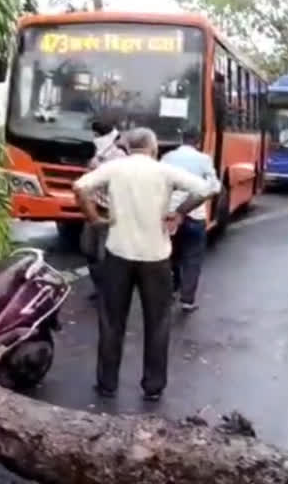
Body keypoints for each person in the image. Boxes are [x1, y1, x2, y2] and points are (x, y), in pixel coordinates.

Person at [73, 127, 211, 401]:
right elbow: (205, 189)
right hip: (156, 257)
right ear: (153, 146)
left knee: (112, 321)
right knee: (157, 322)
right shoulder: (164, 171)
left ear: (129, 146)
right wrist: (179, 213)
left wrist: (94, 219)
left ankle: (107, 383)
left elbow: (80, 187)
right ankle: (153, 386)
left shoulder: (115, 168)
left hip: (118, 253)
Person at [160, 133, 221, 313]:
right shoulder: (204, 159)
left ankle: (168, 291)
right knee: (192, 258)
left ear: (181, 141)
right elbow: (214, 187)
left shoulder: (167, 158)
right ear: (198, 142)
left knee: (169, 255)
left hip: (169, 215)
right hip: (195, 215)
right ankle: (187, 300)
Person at [80, 120, 127, 301]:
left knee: (103, 254)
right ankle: (99, 288)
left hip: (110, 211)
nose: (94, 138)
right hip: (93, 208)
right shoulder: (97, 155)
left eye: (96, 135)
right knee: (88, 249)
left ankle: (109, 292)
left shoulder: (120, 156)